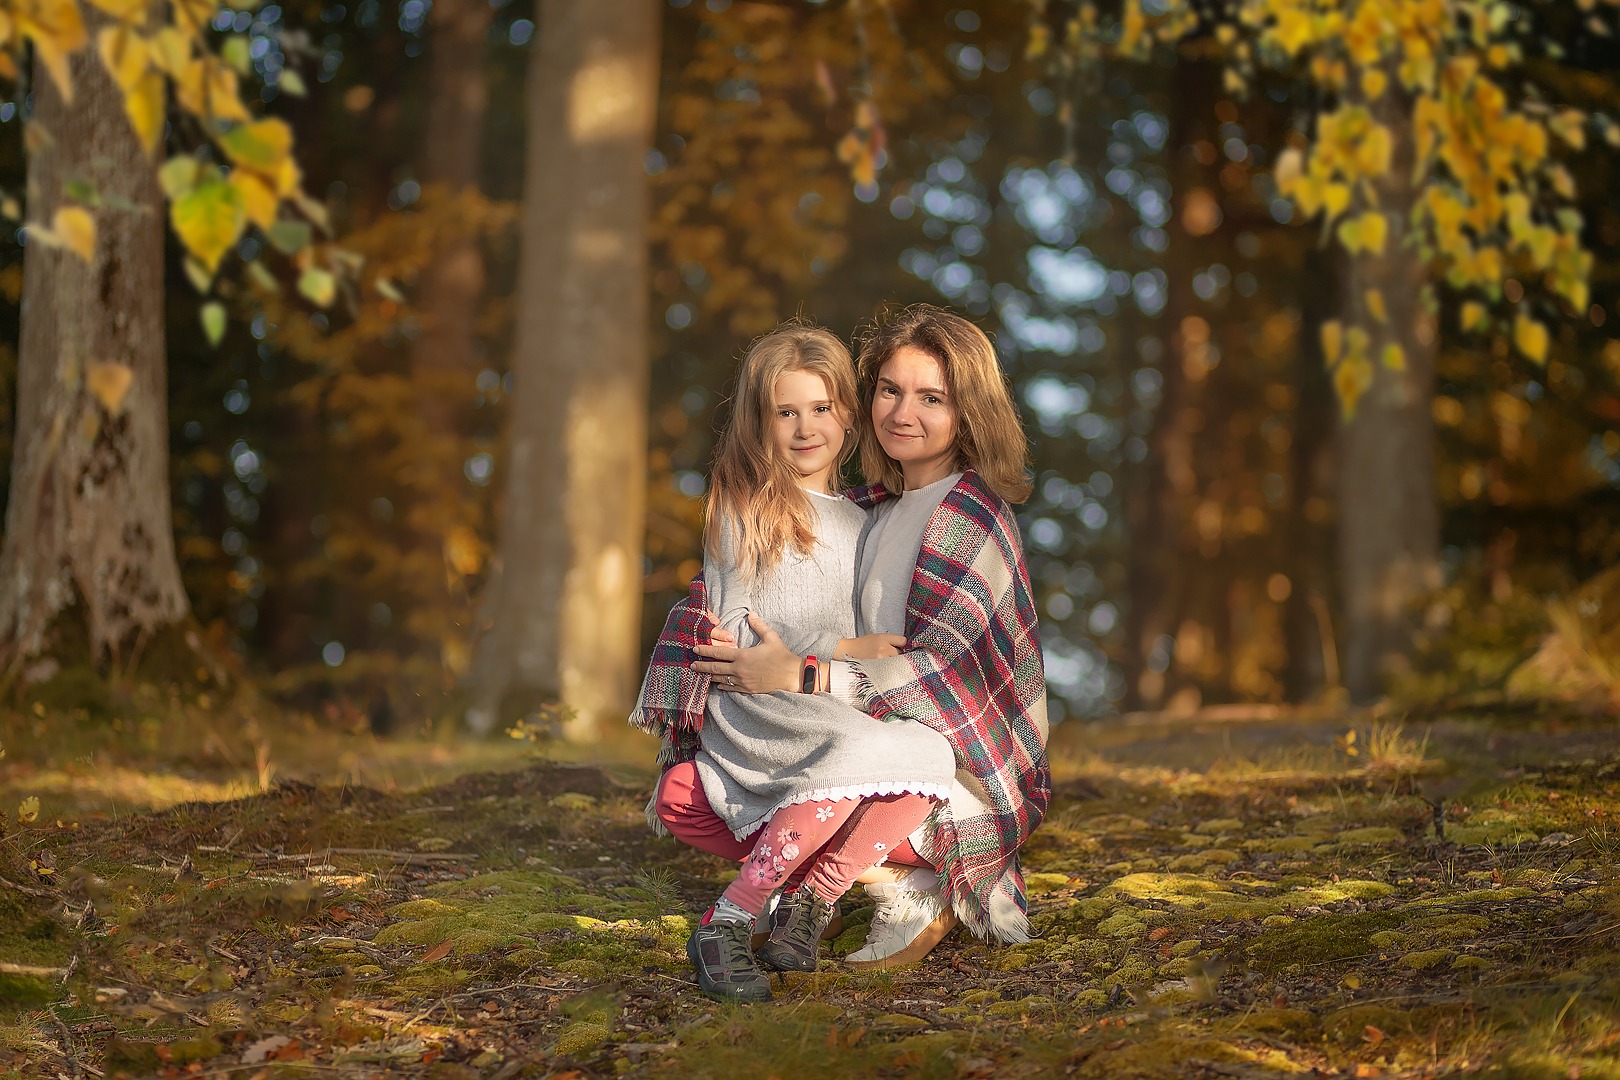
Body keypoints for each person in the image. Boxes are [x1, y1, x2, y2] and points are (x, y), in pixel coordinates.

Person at [637, 304, 1051, 972]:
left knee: (899, 759)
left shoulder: (968, 515)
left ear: (967, 411)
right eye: (890, 390)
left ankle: (884, 884)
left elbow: (942, 674)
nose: (903, 413)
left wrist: (805, 670)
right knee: (684, 792)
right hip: (831, 714)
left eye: (932, 398)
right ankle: (821, 880)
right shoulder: (872, 508)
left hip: (946, 756)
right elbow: (760, 581)